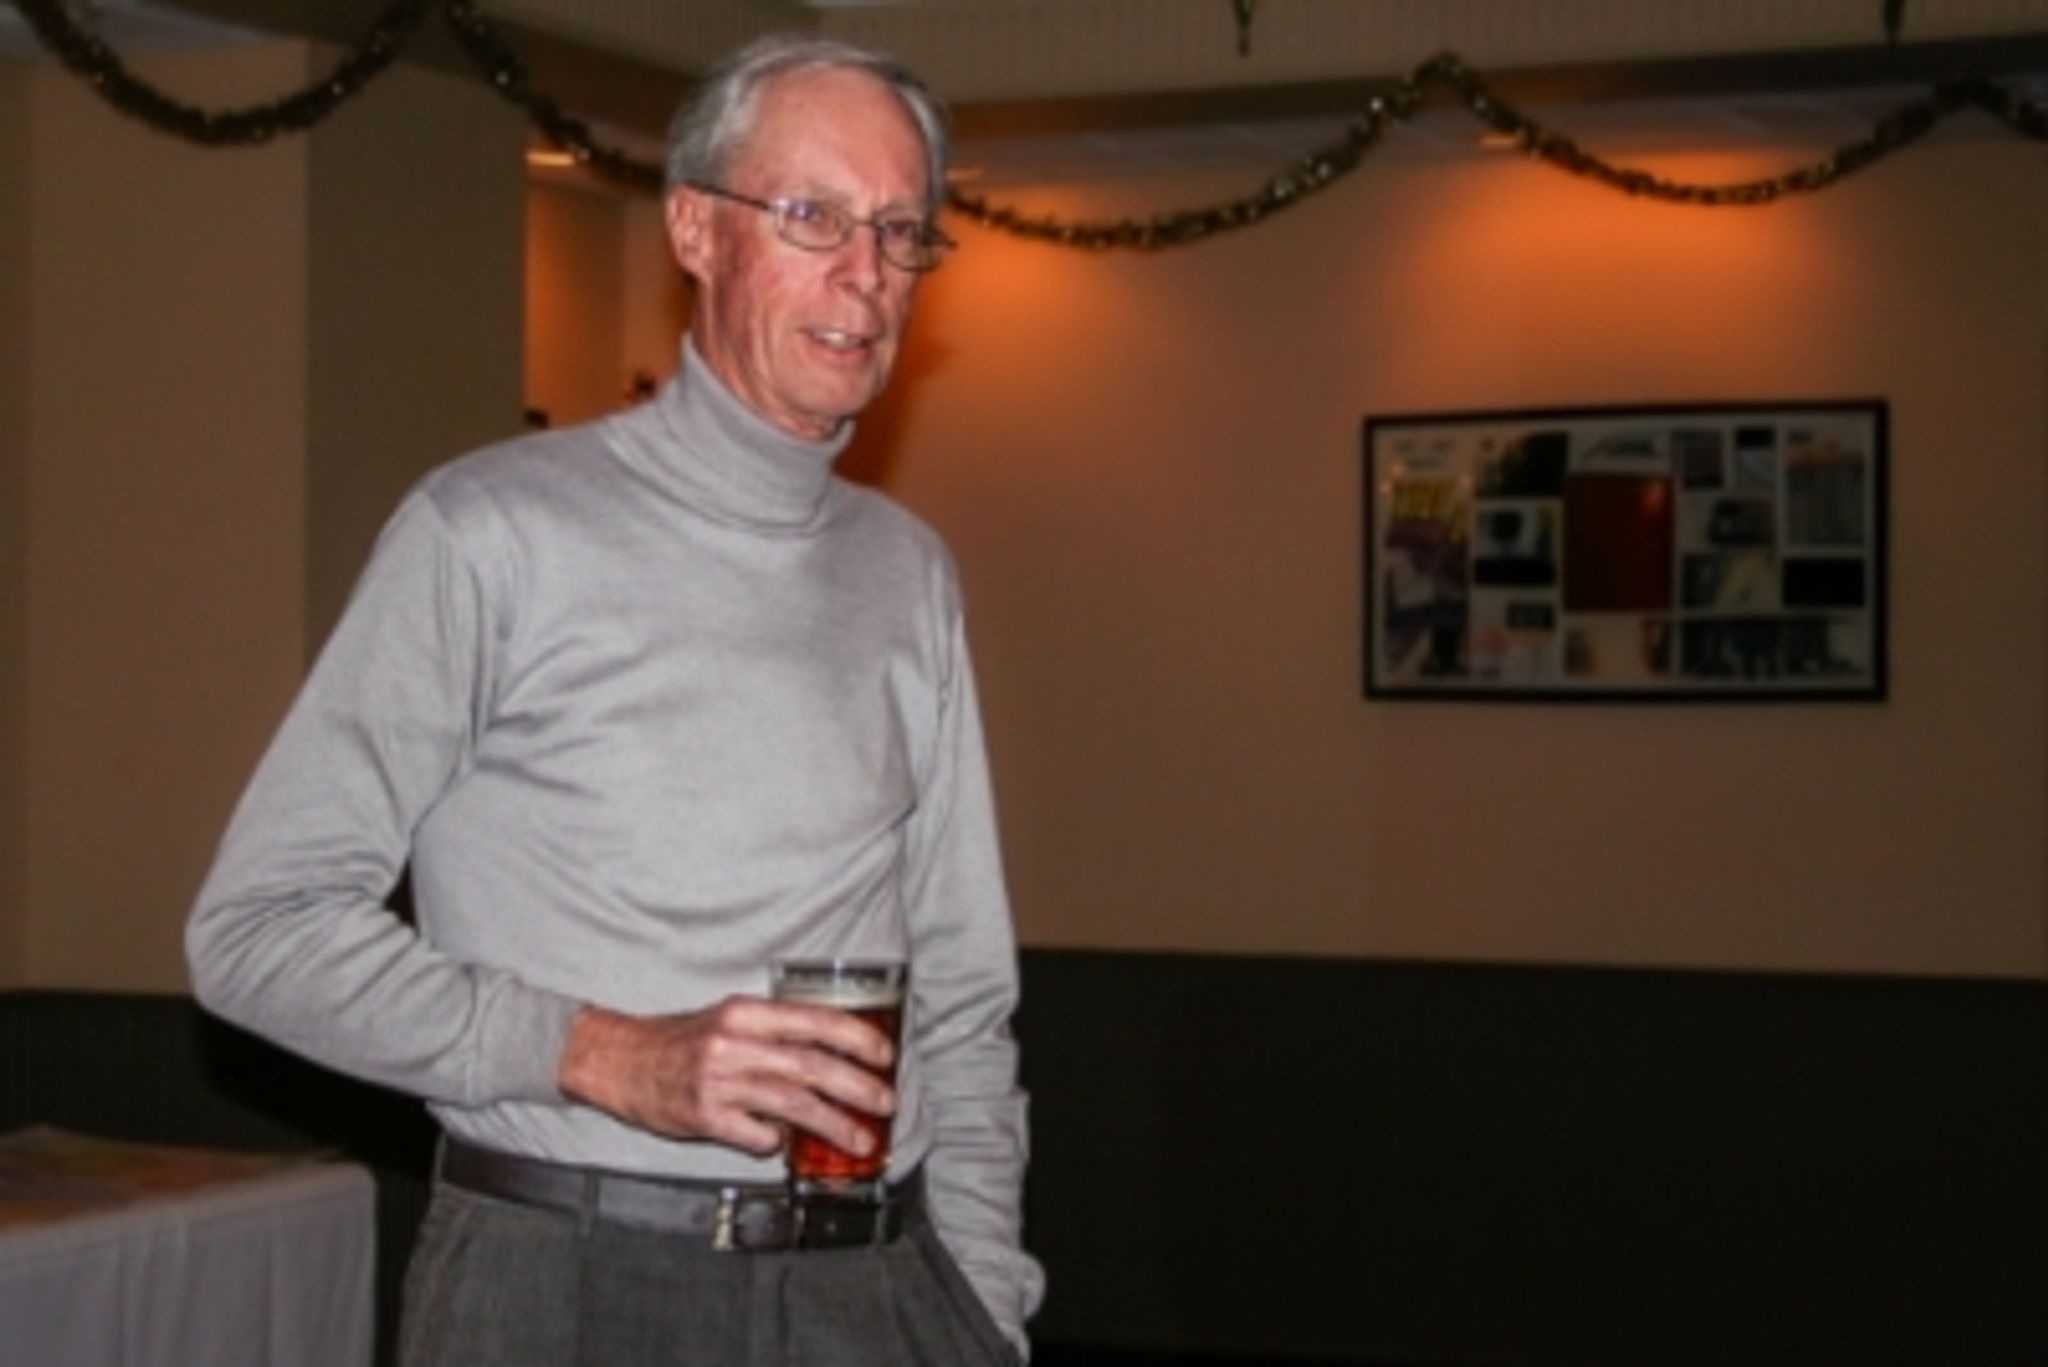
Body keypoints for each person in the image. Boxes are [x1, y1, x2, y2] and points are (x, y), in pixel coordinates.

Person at [187, 33, 1041, 1366]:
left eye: (897, 229)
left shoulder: (907, 571)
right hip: (568, 1281)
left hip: (877, 1291)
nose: (865, 273)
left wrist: (981, 1303)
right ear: (695, 228)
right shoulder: (490, 533)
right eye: (812, 216)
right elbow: (255, 935)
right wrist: (601, 1054)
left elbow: (966, 992)